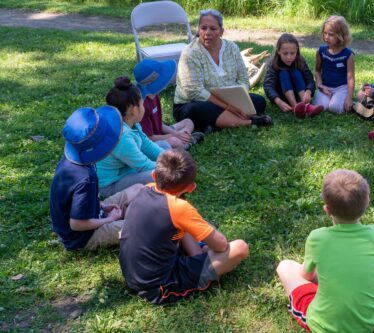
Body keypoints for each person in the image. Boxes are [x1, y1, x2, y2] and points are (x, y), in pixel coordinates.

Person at [119, 149, 249, 304]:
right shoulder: (179, 208)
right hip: (158, 287)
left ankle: (198, 257)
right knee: (239, 248)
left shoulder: (145, 189)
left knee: (192, 228)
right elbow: (221, 245)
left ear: (154, 175)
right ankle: (200, 264)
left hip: (135, 275)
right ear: (191, 187)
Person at [276, 169, 374, 332]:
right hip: (368, 321)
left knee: (285, 266)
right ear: (367, 202)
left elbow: (306, 276)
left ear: (327, 209)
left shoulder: (317, 238)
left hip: (325, 324)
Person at [49, 106, 142, 250]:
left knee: (139, 189)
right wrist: (108, 219)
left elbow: (76, 200)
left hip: (95, 213)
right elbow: (77, 224)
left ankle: (127, 215)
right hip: (84, 236)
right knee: (145, 226)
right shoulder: (85, 178)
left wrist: (102, 206)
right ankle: (129, 219)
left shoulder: (73, 159)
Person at [173, 9, 272, 131]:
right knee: (197, 110)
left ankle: (214, 124)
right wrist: (229, 107)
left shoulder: (232, 48)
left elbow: (243, 79)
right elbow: (195, 91)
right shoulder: (190, 53)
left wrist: (240, 100)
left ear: (221, 32)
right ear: (199, 30)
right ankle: (249, 122)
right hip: (194, 104)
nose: (207, 33)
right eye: (203, 28)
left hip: (230, 101)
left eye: (213, 29)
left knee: (259, 101)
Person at [97, 77, 164, 198]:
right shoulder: (122, 136)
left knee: (164, 147)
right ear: (134, 110)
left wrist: (170, 159)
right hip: (110, 186)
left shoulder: (132, 124)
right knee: (156, 176)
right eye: (142, 104)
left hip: (126, 170)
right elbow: (143, 165)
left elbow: (147, 145)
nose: (144, 107)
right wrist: (172, 169)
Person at [134, 58, 204, 150]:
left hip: (160, 133)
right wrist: (175, 135)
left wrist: (178, 134)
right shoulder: (142, 105)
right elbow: (149, 138)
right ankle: (188, 144)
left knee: (188, 122)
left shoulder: (155, 96)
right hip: (152, 141)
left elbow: (160, 124)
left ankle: (185, 139)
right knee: (175, 141)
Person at [264, 33, 323, 118]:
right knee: (283, 73)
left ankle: (306, 105)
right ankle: (296, 107)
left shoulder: (300, 60)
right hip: (283, 97)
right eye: (285, 53)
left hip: (300, 94)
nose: (289, 57)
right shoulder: (273, 63)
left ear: (297, 51)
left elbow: (309, 79)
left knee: (296, 72)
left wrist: (308, 91)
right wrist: (278, 101)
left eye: (292, 53)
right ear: (278, 51)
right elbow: (268, 85)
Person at [313, 15, 355, 114]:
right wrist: (320, 85)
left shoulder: (348, 55)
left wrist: (349, 97)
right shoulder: (321, 51)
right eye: (325, 33)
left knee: (334, 108)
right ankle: (332, 99)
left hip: (341, 87)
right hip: (325, 87)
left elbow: (351, 78)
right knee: (321, 107)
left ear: (341, 35)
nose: (326, 37)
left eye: (331, 34)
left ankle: (350, 103)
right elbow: (317, 71)